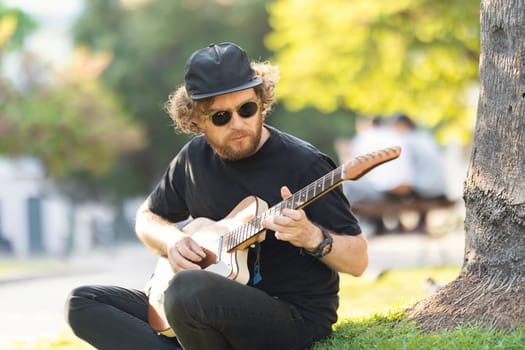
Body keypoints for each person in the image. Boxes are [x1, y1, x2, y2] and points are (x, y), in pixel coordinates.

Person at [64, 42, 368, 350]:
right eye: (221, 117)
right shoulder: (194, 159)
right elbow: (148, 217)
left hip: (292, 315)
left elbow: (358, 260)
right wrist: (172, 241)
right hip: (200, 304)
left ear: (261, 101)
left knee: (187, 289)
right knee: (83, 302)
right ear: (196, 120)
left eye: (247, 109)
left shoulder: (305, 163)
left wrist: (312, 236)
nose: (238, 124)